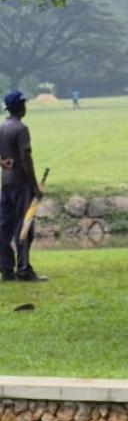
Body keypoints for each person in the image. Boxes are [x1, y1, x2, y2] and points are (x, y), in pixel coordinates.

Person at [0, 90, 46, 282]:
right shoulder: (21, 129)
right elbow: (26, 159)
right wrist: (35, 186)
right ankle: (24, 269)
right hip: (21, 184)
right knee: (25, 227)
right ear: (20, 107)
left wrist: (3, 163)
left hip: (6, 183)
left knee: (4, 227)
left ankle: (6, 269)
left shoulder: (2, 127)